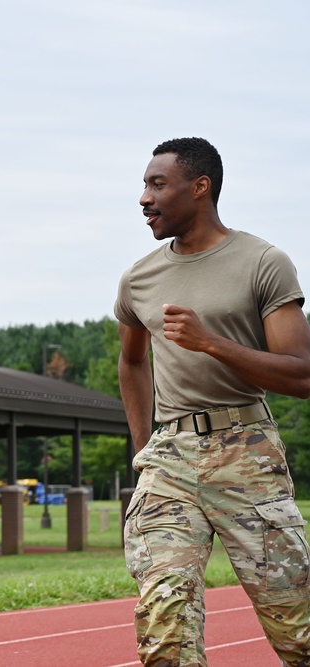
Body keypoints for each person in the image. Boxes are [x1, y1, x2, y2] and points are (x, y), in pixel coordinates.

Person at [116, 137, 310, 666]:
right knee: (164, 625)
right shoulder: (139, 278)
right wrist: (144, 447)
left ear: (200, 187)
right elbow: (132, 361)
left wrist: (211, 343)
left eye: (158, 184)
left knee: (297, 627)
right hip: (168, 462)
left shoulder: (263, 262)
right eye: (144, 185)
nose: (143, 198)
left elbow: (302, 375)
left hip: (246, 452)